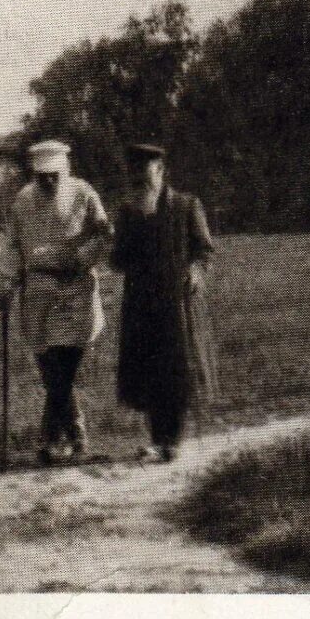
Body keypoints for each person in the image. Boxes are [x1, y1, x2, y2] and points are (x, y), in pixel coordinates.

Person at [0, 140, 114, 463]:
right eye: (42, 176)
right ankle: (73, 436)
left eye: (54, 175)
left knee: (66, 367)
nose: (48, 182)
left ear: (66, 170)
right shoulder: (22, 202)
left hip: (76, 289)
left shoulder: (84, 194)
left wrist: (84, 256)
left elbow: (106, 234)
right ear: (34, 174)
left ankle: (55, 438)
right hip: (38, 288)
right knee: (51, 369)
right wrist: (8, 284)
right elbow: (12, 247)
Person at [110, 143, 220, 461]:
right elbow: (118, 261)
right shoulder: (128, 212)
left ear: (160, 171)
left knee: (177, 370)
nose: (139, 182)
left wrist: (196, 272)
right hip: (141, 305)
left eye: (144, 175)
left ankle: (170, 440)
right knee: (147, 371)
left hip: (177, 305)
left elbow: (205, 251)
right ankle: (159, 439)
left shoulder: (186, 206)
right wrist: (119, 239)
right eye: (134, 176)